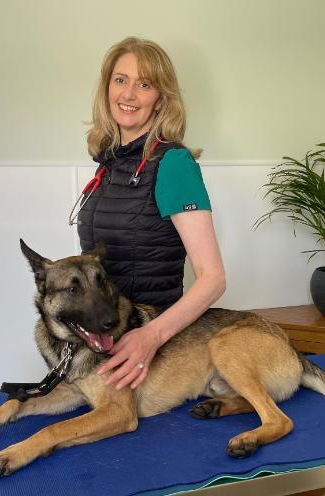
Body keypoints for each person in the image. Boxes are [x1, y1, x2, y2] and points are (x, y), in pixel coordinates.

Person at [77, 36, 226, 391]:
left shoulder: (173, 163)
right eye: (121, 80)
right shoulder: (109, 164)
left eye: (144, 85)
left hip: (151, 341)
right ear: (107, 88)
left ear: (160, 100)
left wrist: (150, 337)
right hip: (106, 333)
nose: (128, 94)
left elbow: (213, 278)